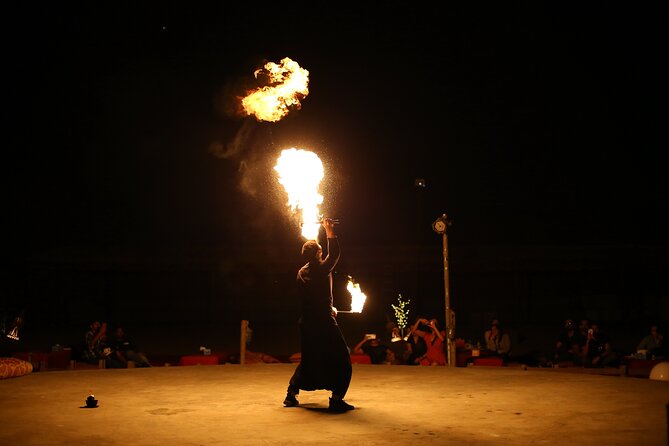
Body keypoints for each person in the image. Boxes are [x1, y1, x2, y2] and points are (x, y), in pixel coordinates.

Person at [284, 218, 354, 412]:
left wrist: (327, 306)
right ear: (317, 254)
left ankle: (291, 393)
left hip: (307, 323)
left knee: (310, 360)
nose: (323, 253)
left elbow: (312, 296)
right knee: (342, 359)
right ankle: (337, 398)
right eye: (320, 251)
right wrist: (329, 230)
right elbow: (336, 254)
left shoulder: (301, 272)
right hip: (324, 323)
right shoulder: (322, 269)